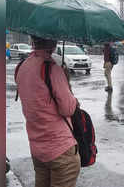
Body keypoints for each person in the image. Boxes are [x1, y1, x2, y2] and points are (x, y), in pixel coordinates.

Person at [15, 36, 80, 187]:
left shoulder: (22, 67)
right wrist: (66, 83)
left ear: (33, 40)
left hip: (37, 148)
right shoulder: (51, 68)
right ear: (53, 42)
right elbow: (68, 108)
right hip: (60, 149)